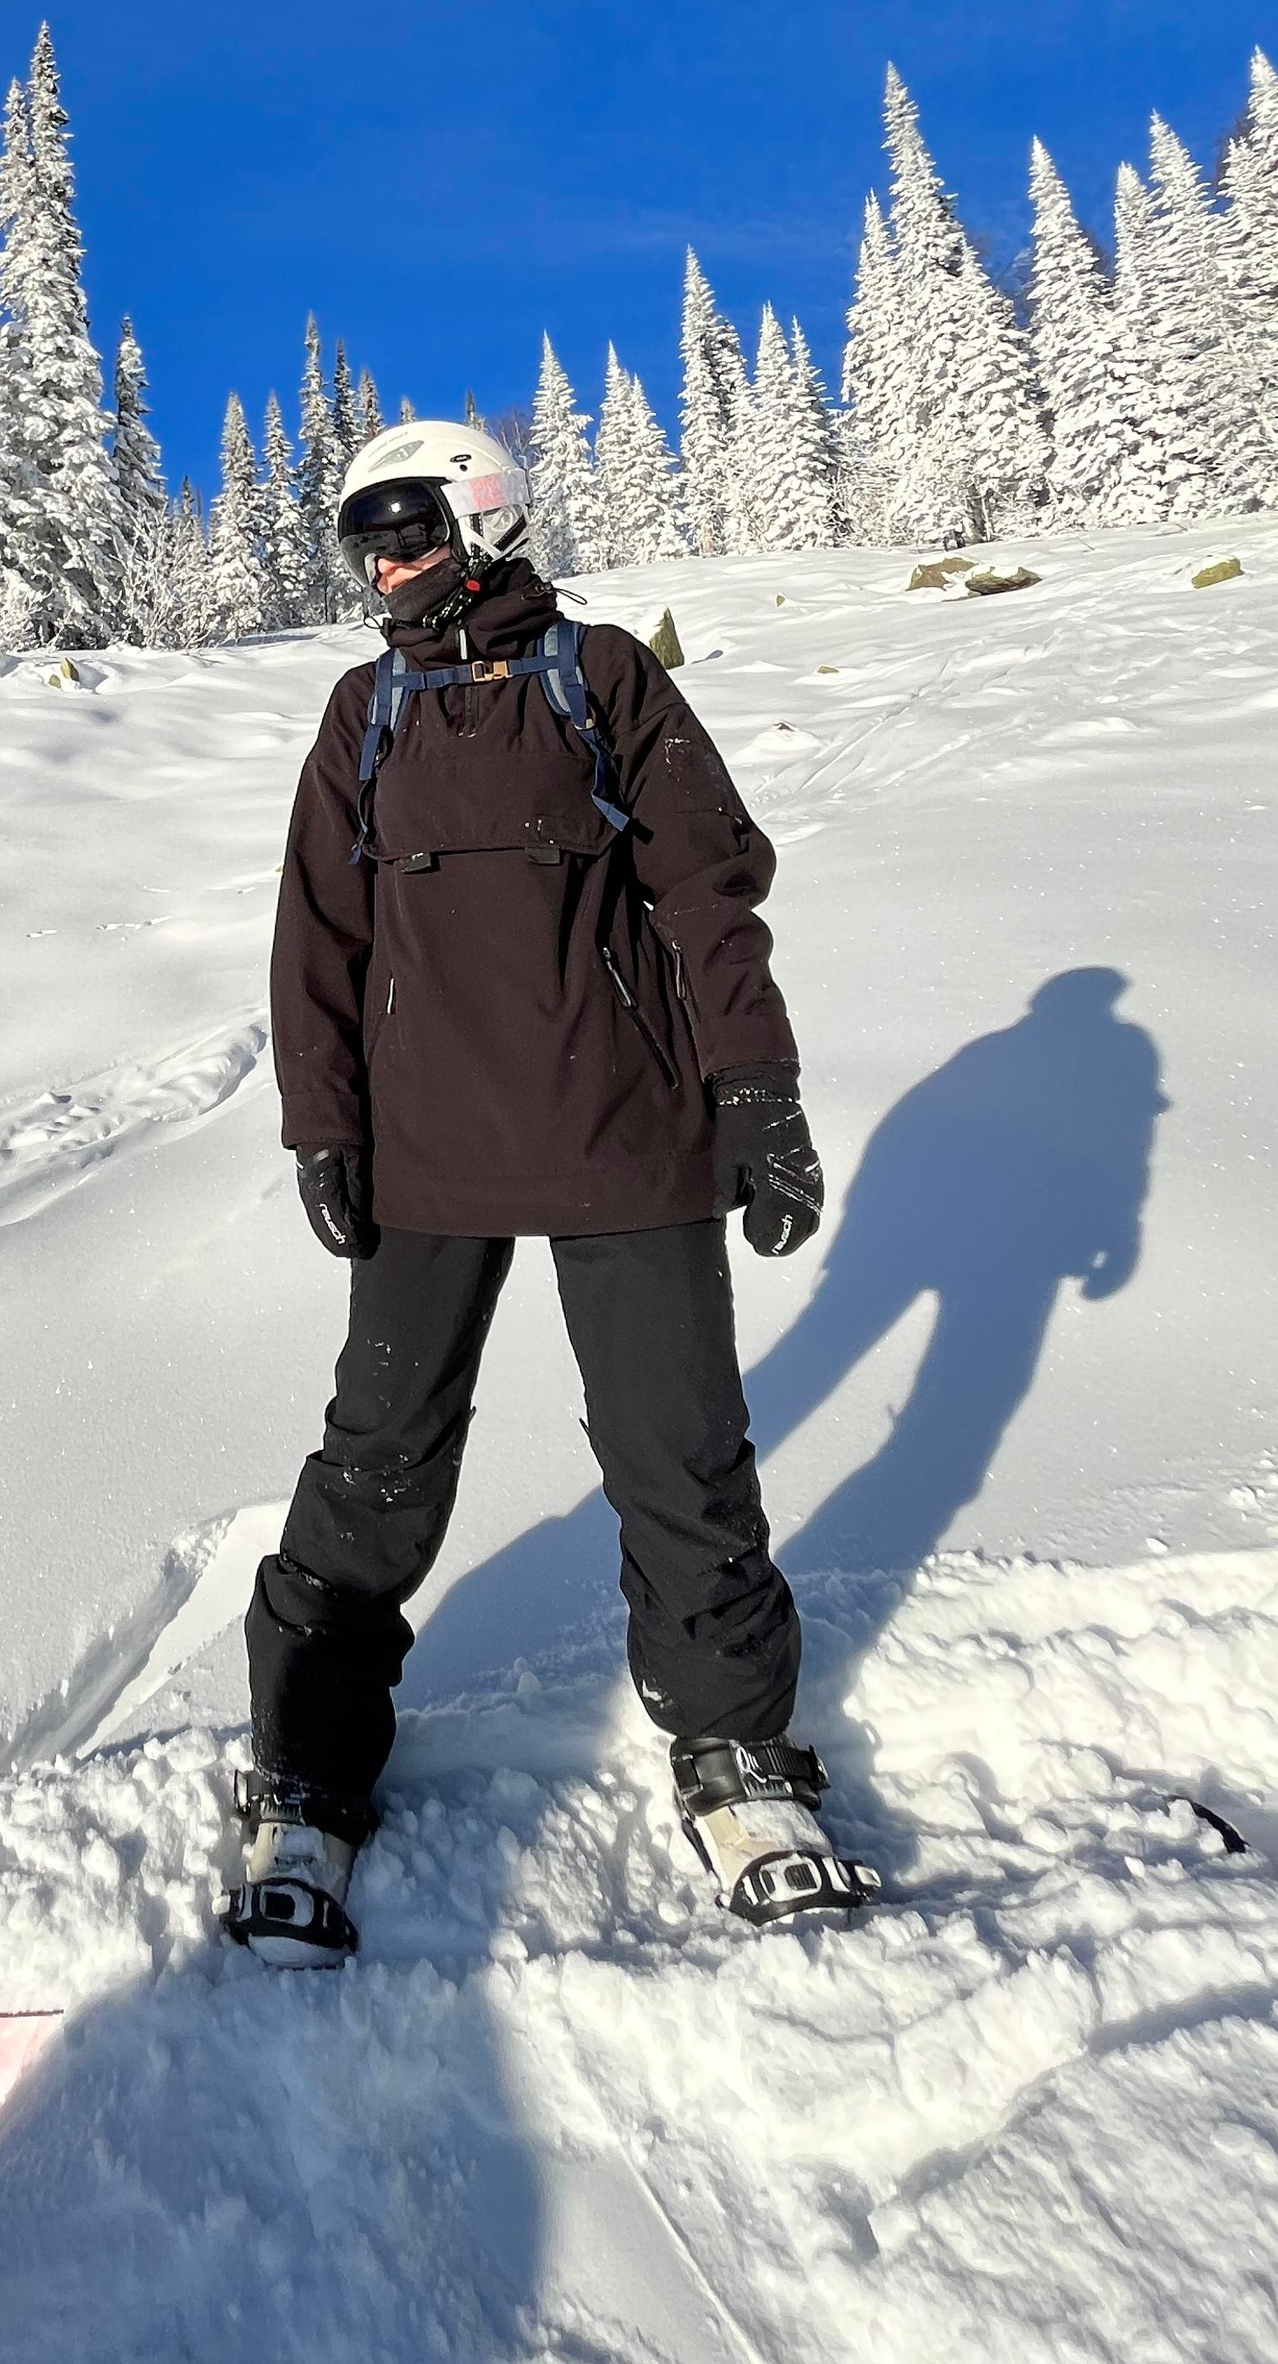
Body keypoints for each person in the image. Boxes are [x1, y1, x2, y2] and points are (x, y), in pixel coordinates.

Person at [225, 419, 877, 1971]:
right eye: (360, 537)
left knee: (679, 1455)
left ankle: (734, 1757)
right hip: (429, 1147)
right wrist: (325, 1124)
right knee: (378, 1461)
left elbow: (710, 896)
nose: (380, 562)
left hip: (623, 1130)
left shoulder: (607, 679)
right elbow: (314, 938)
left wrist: (756, 1096)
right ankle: (309, 1773)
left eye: (403, 526)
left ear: (483, 519)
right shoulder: (362, 711)